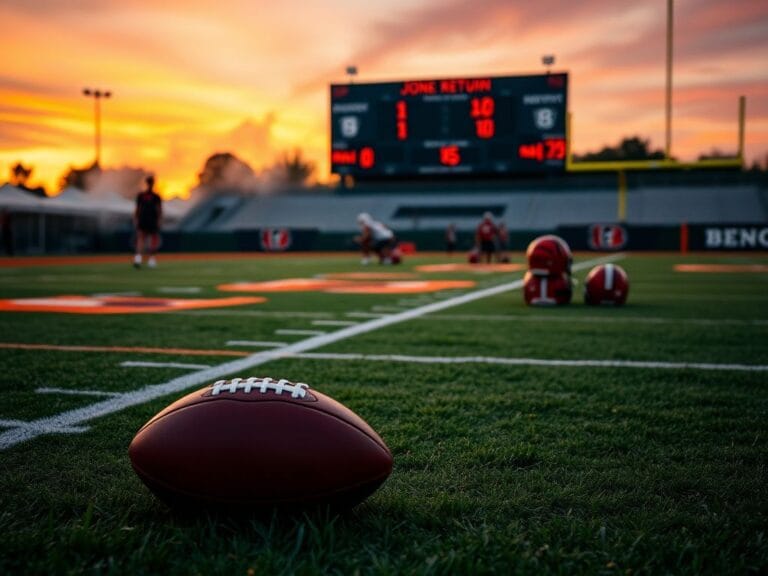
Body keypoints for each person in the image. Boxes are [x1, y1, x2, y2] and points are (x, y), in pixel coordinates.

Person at [133, 175, 162, 269]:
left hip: (144, 220)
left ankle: (139, 258)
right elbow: (159, 210)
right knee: (150, 239)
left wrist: (136, 219)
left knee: (142, 239)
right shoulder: (154, 196)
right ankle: (150, 260)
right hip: (150, 220)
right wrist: (159, 220)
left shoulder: (143, 196)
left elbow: (137, 210)